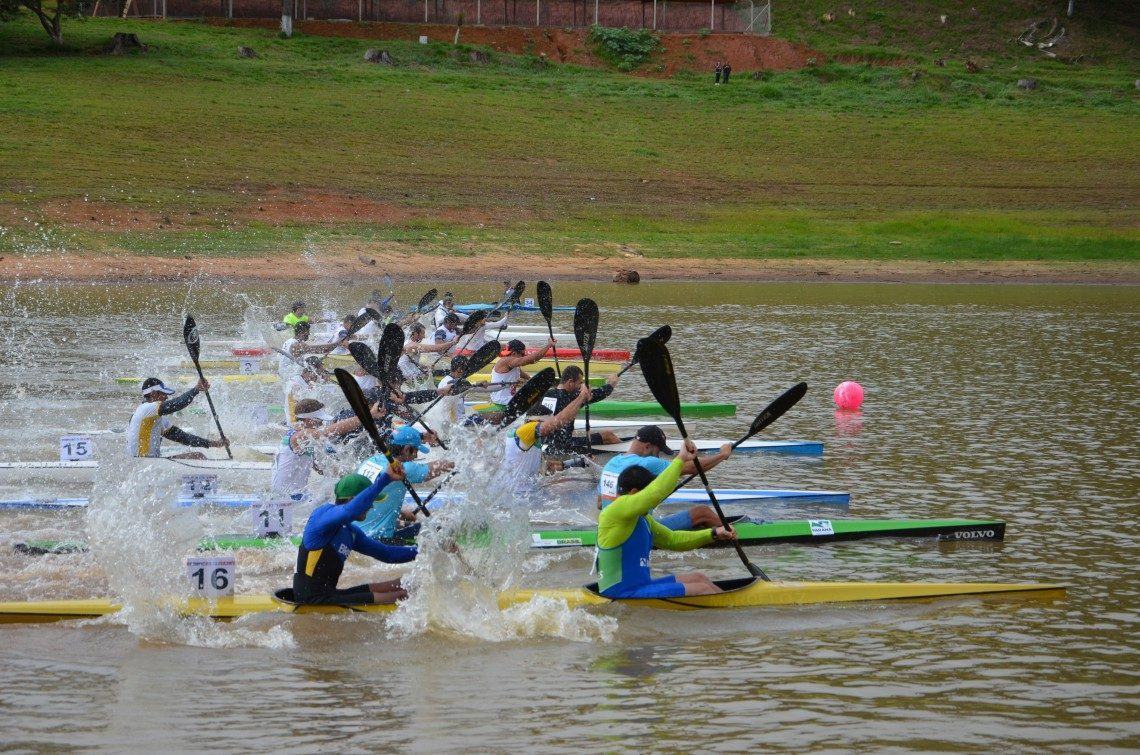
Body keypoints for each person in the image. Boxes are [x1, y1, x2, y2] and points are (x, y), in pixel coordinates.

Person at [595, 439, 737, 599]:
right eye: (645, 495)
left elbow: (673, 539)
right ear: (634, 493)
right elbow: (656, 492)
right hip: (620, 593)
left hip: (640, 586)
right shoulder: (615, 510)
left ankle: (735, 604)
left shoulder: (643, 520)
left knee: (699, 578)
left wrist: (713, 533)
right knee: (703, 589)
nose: (654, 503)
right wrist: (680, 459)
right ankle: (736, 613)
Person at [292, 469, 418, 606]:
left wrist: (424, 551)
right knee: (402, 595)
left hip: (329, 594)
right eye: (370, 501)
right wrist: (385, 478)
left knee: (401, 583)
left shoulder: (351, 532)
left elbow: (388, 554)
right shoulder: (321, 515)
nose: (372, 506)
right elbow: (349, 510)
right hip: (310, 601)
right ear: (353, 500)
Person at [597, 425, 732, 531]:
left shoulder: (611, 463)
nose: (658, 456)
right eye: (658, 451)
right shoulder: (648, 463)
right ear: (647, 446)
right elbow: (690, 468)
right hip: (635, 530)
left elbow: (599, 504)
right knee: (703, 512)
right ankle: (731, 533)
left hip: (609, 526)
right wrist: (722, 455)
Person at [355, 426, 453, 542]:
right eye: (416, 450)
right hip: (377, 538)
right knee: (438, 532)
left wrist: (400, 513)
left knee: (419, 527)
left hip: (355, 531)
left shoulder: (371, 461)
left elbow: (373, 499)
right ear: (406, 449)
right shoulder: (403, 468)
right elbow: (444, 466)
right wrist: (463, 458)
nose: (416, 456)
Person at [270, 398, 380, 499]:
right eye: (320, 420)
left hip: (295, 495)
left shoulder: (304, 439)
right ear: (308, 420)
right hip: (285, 499)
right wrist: (368, 415)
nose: (322, 423)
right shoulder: (300, 436)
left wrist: (350, 476)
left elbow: (321, 468)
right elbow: (331, 431)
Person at [500, 384, 591, 496]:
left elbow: (546, 467)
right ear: (536, 421)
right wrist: (582, 396)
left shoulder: (528, 437)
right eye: (548, 424)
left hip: (525, 492)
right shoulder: (526, 430)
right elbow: (561, 420)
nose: (551, 431)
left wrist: (577, 462)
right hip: (520, 496)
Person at [126, 377, 227, 459]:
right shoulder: (147, 408)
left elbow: (183, 438)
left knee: (193, 454)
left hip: (145, 463)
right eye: (164, 394)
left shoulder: (151, 417)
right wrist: (196, 389)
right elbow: (177, 404)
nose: (166, 397)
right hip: (144, 463)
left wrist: (214, 444)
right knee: (198, 456)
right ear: (153, 394)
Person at [541, 366, 624, 454]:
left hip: (544, 445)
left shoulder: (545, 395)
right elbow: (599, 393)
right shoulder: (573, 397)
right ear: (570, 382)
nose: (580, 386)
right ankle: (629, 454)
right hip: (562, 447)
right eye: (580, 383)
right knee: (608, 435)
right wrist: (611, 384)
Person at [488, 338, 555, 409]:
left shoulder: (511, 366)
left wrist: (531, 380)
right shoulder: (506, 361)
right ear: (514, 353)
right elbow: (532, 360)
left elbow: (523, 375)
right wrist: (548, 346)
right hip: (502, 402)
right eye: (522, 354)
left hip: (506, 400)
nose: (523, 356)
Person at [283, 358, 326, 424]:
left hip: (303, 420)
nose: (319, 376)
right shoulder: (295, 384)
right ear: (305, 372)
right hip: (296, 423)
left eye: (320, 373)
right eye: (317, 373)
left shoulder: (305, 382)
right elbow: (304, 403)